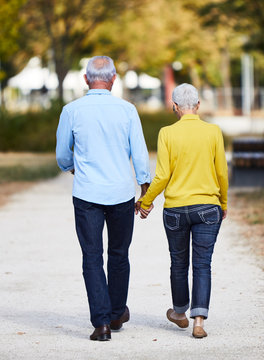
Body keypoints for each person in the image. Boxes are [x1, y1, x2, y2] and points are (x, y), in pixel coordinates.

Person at [56, 56, 150, 341]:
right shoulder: (127, 110)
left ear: (86, 79)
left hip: (87, 194)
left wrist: (74, 169)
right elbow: (140, 153)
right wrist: (145, 188)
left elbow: (62, 155)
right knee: (120, 255)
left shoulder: (71, 110)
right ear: (113, 79)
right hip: (121, 193)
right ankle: (117, 313)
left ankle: (102, 324)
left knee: (92, 257)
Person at [136, 83, 228, 338]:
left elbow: (162, 175)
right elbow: (221, 171)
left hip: (175, 210)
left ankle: (179, 312)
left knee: (178, 262)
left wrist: (145, 202)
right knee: (202, 264)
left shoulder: (167, 133)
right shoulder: (213, 132)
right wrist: (223, 202)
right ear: (198, 106)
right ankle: (198, 321)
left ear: (174, 107)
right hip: (207, 208)